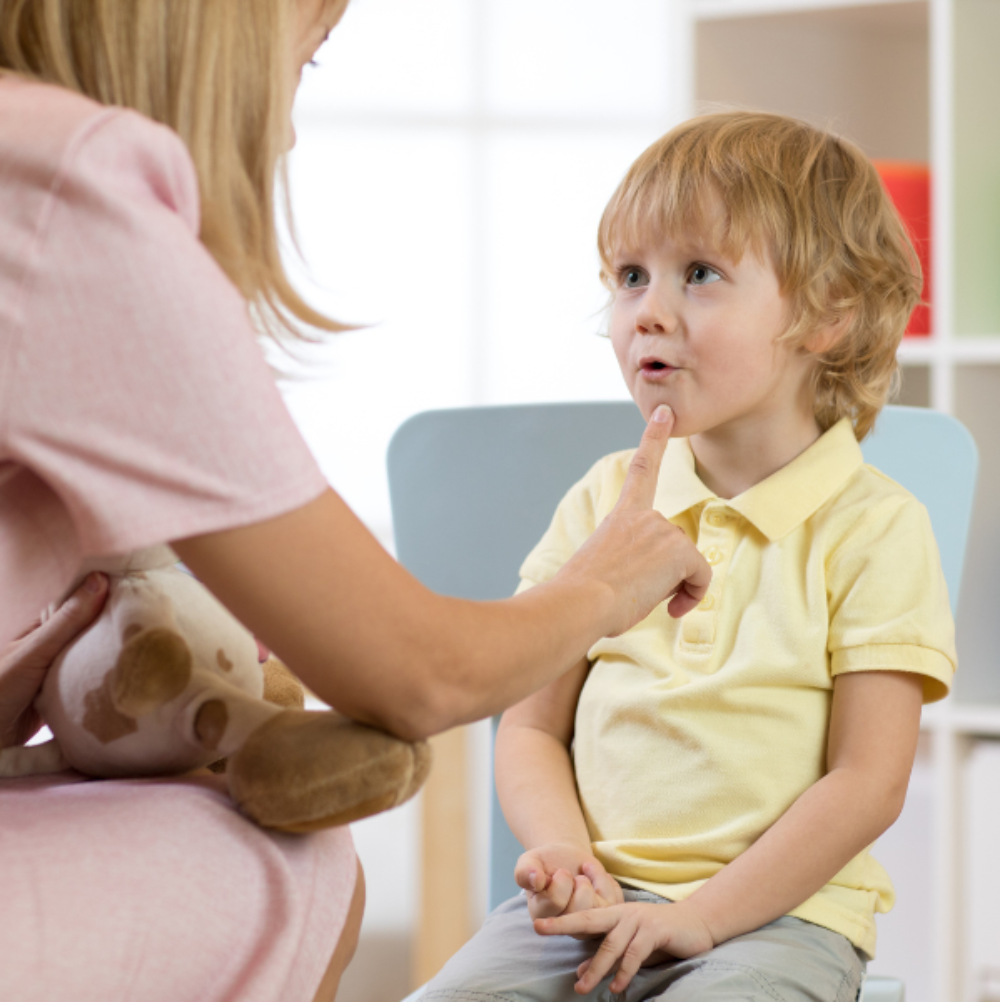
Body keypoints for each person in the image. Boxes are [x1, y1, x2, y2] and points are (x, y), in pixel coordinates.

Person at [0, 1, 711, 1000]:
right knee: (298, 866)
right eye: (310, 53)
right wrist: (603, 583)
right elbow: (421, 676)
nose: (287, 122)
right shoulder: (70, 182)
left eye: (702, 275)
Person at [419, 111, 957, 1002]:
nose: (648, 312)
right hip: (589, 908)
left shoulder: (876, 528)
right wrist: (562, 851)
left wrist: (701, 915)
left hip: (780, 922)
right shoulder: (602, 500)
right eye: (630, 277)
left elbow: (868, 781)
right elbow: (529, 726)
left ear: (828, 314)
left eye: (699, 274)